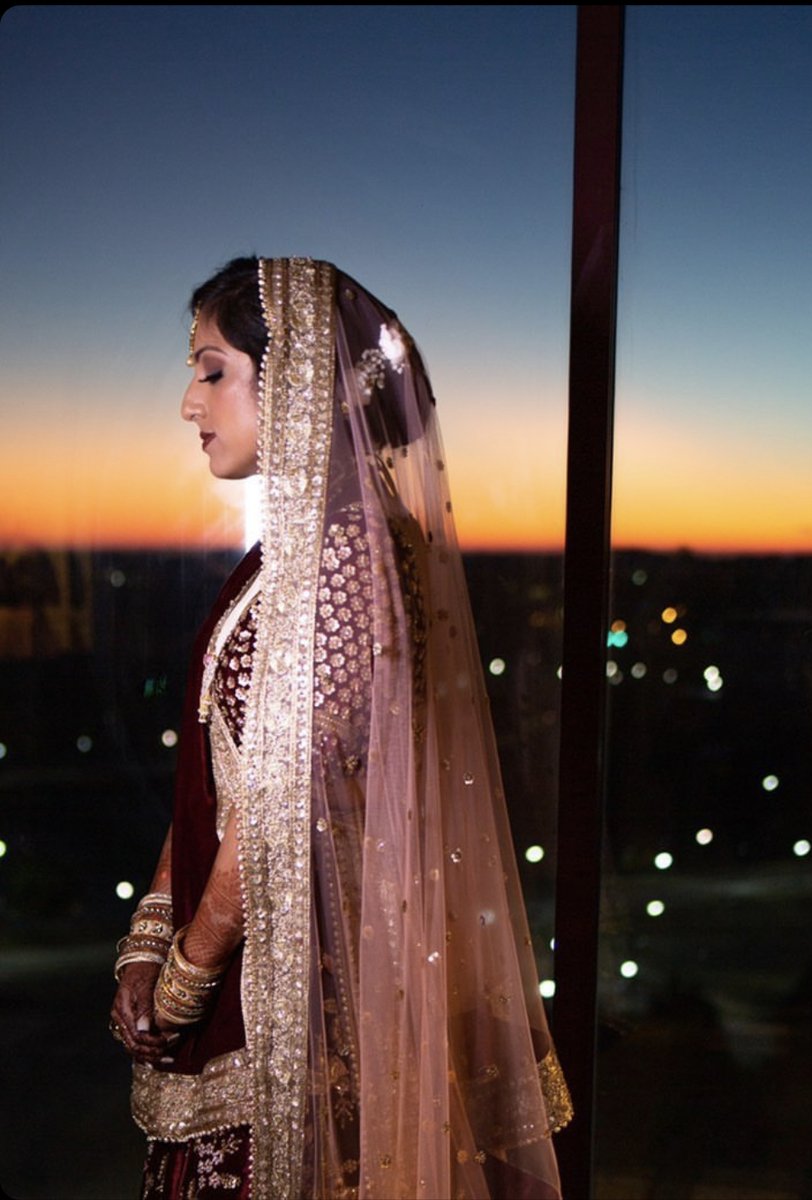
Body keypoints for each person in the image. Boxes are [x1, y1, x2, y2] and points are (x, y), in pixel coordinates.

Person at [109, 257, 571, 1199]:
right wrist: (150, 936)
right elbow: (219, 770)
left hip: (307, 986)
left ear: (298, 382)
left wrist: (187, 974)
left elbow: (284, 798)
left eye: (210, 370)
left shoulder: (355, 554)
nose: (190, 406)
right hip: (257, 959)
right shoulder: (291, 554)